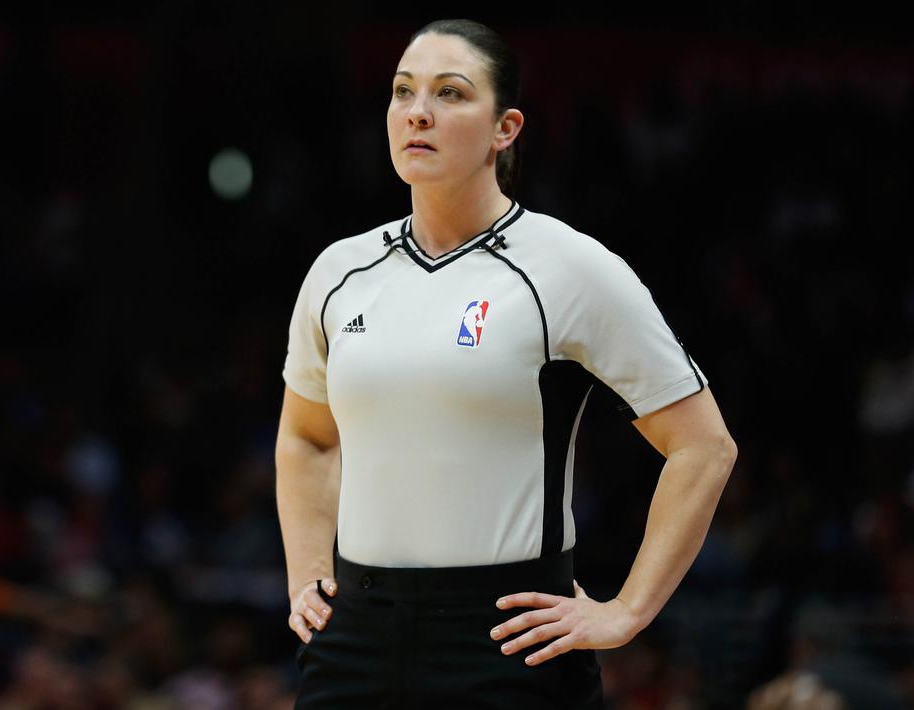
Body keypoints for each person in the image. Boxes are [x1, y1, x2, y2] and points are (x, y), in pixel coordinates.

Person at [274, 18, 738, 709]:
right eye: (403, 92)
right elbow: (307, 436)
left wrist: (626, 611)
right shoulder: (339, 271)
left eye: (450, 94)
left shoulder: (570, 268)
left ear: (505, 128)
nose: (418, 112)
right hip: (354, 638)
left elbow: (702, 447)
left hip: (506, 640)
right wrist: (307, 572)